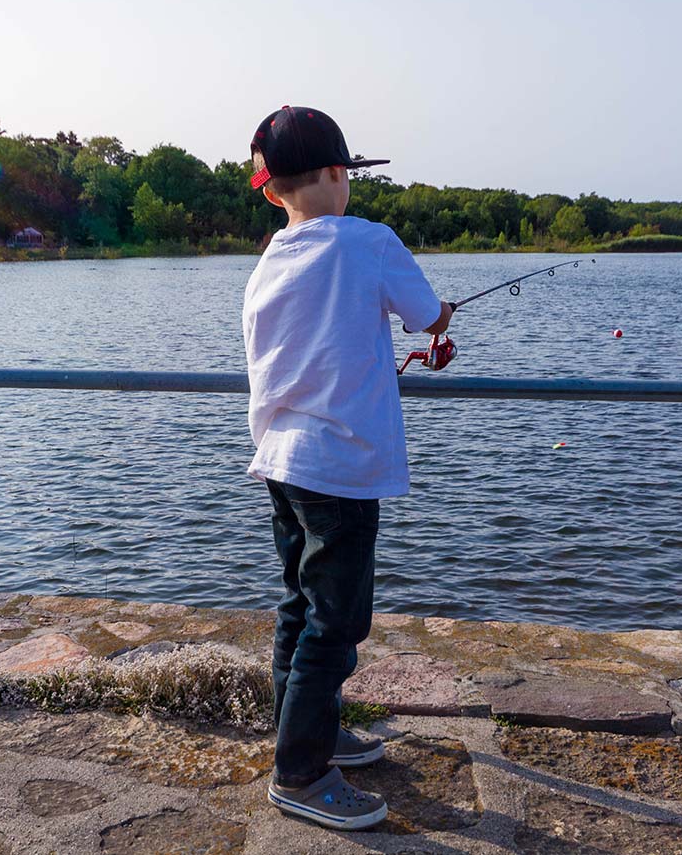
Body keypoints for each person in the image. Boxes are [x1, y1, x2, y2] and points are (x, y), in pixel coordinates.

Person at [242, 106, 453, 830]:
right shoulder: (369, 241)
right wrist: (441, 316)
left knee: (299, 607)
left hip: (281, 461)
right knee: (336, 623)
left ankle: (309, 733)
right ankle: (299, 773)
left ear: (273, 191)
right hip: (340, 467)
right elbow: (424, 315)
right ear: (339, 175)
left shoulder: (272, 255)